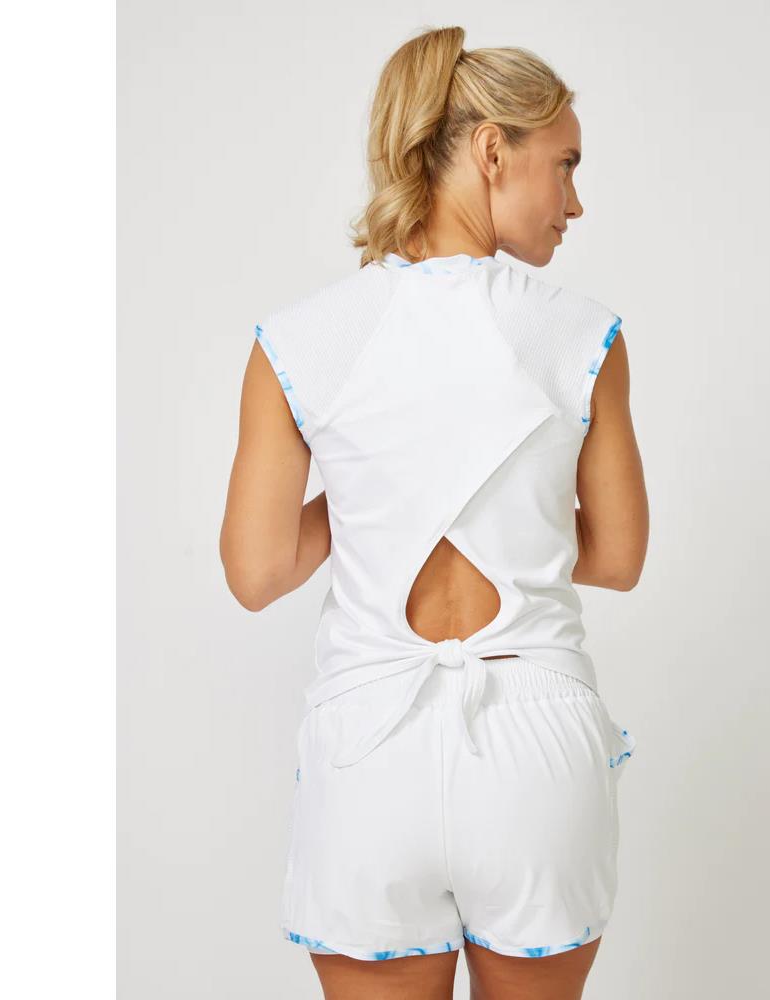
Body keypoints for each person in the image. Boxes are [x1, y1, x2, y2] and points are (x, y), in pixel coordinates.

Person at [220, 24, 649, 1000]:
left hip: (369, 748)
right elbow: (618, 556)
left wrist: (375, 489)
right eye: (565, 164)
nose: (575, 201)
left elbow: (257, 570)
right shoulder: (582, 335)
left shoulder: (300, 340)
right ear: (492, 150)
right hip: (533, 749)